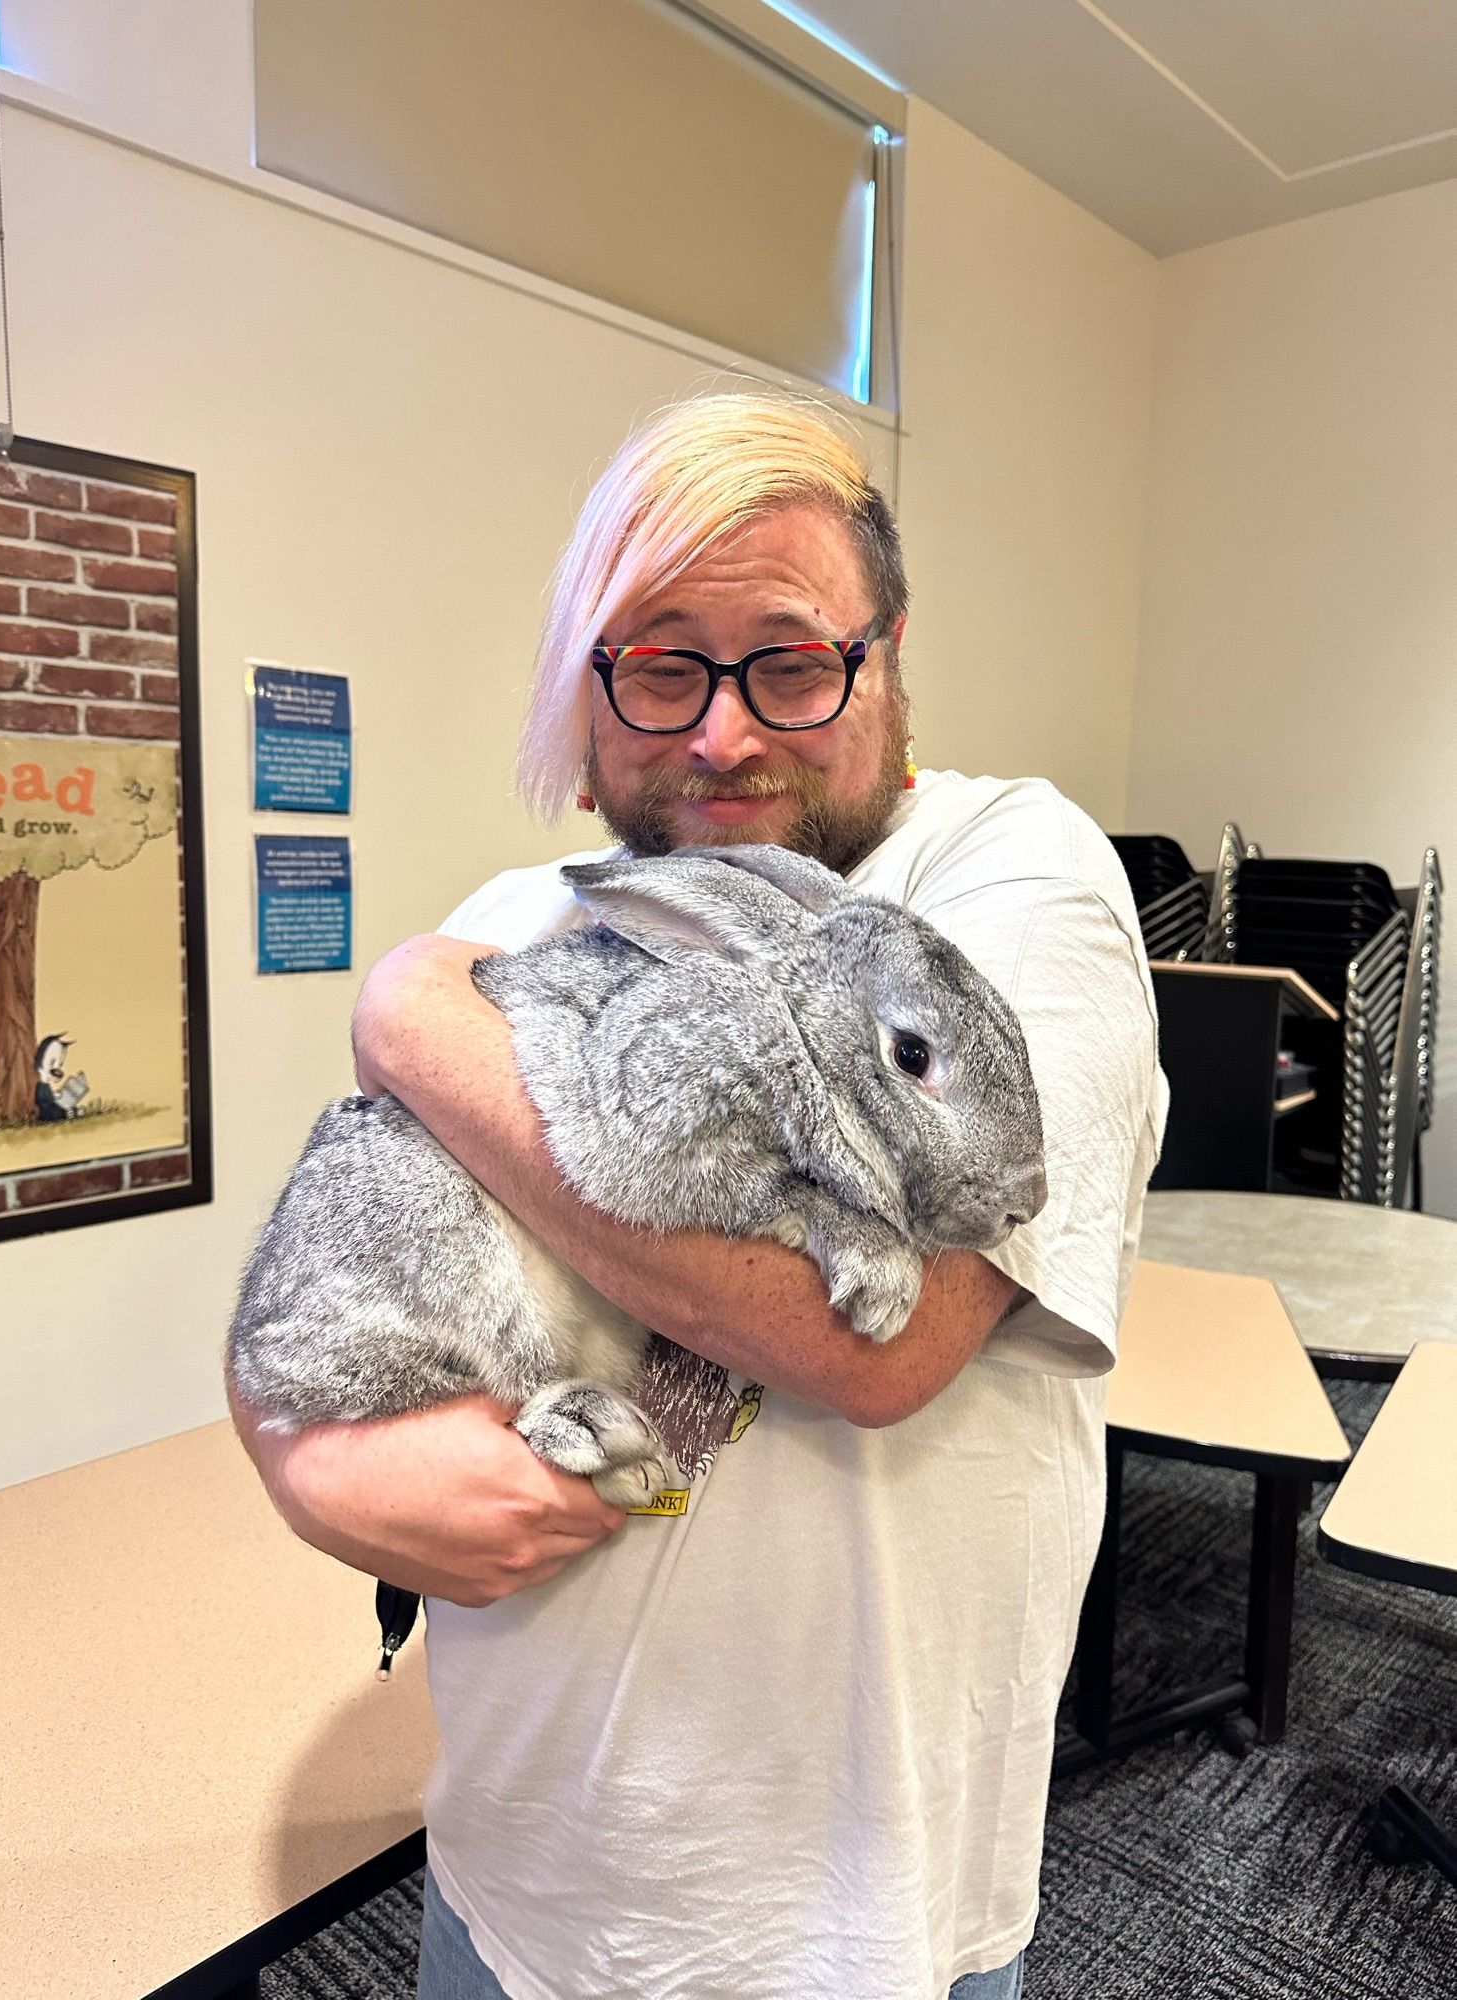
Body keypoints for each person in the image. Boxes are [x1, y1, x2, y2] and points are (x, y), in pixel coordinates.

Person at [230, 393, 1167, 2000]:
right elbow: (335, 1257)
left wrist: (409, 1014)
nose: (724, 734)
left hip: (853, 1930)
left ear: (885, 661)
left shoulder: (1009, 878)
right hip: (520, 1892)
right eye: (660, 663)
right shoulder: (524, 914)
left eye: (792, 661)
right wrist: (303, 1461)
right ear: (584, 688)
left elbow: (878, 1341)